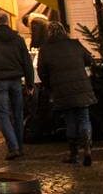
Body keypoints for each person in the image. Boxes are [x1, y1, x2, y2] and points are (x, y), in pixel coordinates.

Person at [37, 22, 96, 166]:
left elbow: (41, 72)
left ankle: (74, 153)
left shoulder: (45, 49)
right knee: (84, 118)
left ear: (49, 33)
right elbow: (89, 60)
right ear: (64, 31)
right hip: (81, 88)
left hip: (61, 91)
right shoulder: (75, 44)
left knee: (70, 121)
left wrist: (49, 86)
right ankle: (87, 149)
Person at [0, 12, 34, 161]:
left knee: (3, 114)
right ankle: (20, 147)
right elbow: (26, 61)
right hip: (16, 79)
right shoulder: (17, 39)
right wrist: (29, 82)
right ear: (8, 22)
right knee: (18, 113)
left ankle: (13, 147)